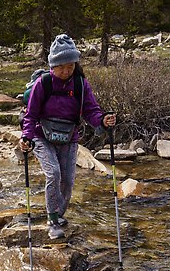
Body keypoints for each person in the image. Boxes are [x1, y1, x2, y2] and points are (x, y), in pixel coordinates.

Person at [19, 34, 116, 239]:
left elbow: (91, 110)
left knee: (68, 181)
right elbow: (31, 115)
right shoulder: (43, 84)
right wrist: (26, 137)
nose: (66, 71)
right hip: (41, 135)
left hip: (69, 136)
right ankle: (52, 220)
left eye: (70, 66)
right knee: (53, 173)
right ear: (53, 65)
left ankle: (58, 214)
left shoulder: (80, 84)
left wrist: (102, 120)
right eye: (62, 67)